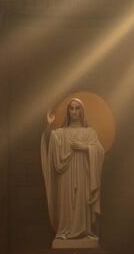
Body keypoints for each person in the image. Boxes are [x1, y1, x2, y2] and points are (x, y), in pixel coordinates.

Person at [41, 98, 104, 242]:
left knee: (82, 200)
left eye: (77, 108)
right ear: (68, 112)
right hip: (66, 174)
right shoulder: (60, 133)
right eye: (71, 108)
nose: (74, 112)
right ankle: (65, 230)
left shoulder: (90, 132)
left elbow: (99, 152)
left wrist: (86, 148)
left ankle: (83, 231)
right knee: (67, 202)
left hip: (84, 173)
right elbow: (48, 144)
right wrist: (49, 127)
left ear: (82, 112)